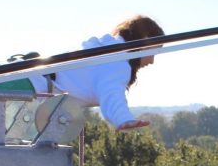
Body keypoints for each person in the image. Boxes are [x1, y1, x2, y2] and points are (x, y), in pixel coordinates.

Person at [12, 15, 164, 131]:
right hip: (24, 88)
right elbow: (112, 94)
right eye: (154, 52)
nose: (152, 61)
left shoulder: (107, 53)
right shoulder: (117, 62)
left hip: (24, 84)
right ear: (144, 42)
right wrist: (124, 120)